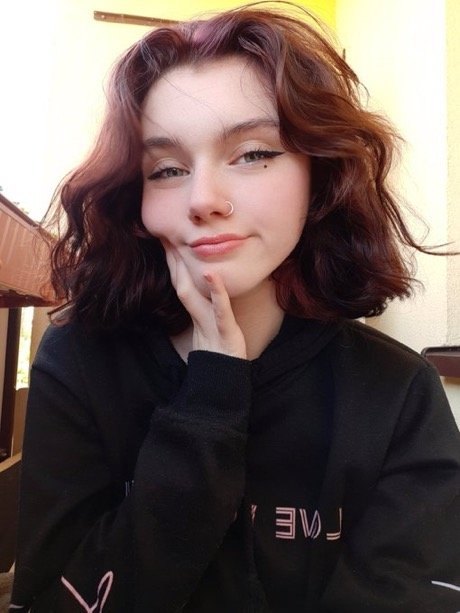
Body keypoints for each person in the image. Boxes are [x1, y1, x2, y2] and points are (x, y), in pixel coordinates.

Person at [10, 3, 460, 612]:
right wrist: (209, 398)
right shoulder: (79, 362)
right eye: (167, 169)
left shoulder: (398, 391)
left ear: (318, 175)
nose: (204, 199)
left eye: (252, 153)